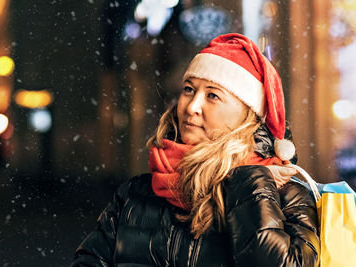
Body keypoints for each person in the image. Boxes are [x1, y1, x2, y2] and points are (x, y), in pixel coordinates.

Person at [71, 33, 320, 266]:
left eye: (213, 95)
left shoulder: (288, 198)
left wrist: (251, 181)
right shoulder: (135, 194)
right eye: (189, 90)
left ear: (248, 117)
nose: (191, 107)